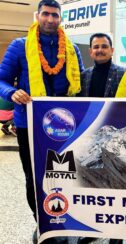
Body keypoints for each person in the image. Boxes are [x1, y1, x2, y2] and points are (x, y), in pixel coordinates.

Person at [0, 0, 84, 242]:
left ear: (60, 18)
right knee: (34, 177)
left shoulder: (71, 49)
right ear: (37, 16)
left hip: (66, 128)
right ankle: (43, 224)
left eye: (55, 15)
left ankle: (67, 221)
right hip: (30, 125)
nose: (50, 19)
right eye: (45, 14)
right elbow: (2, 80)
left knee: (68, 176)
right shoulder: (19, 46)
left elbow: (80, 90)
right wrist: (11, 93)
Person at [78, 33, 126, 97]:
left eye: (104, 47)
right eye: (96, 47)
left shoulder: (124, 74)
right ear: (90, 52)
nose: (100, 50)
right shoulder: (83, 76)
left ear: (112, 50)